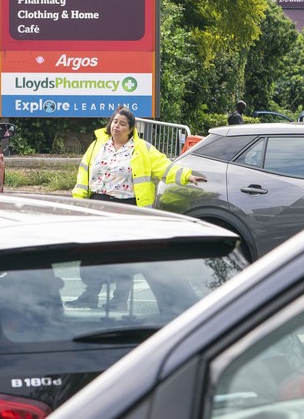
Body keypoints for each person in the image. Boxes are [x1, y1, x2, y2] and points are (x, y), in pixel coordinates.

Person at [68, 107, 206, 309]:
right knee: (93, 253)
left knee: (124, 256)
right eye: (115, 122)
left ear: (131, 129)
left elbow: (164, 167)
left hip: (127, 207)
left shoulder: (142, 149)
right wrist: (78, 200)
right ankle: (90, 295)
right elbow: (84, 173)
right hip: (98, 205)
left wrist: (187, 176)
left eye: (122, 124)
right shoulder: (98, 145)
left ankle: (119, 300)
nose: (117, 126)